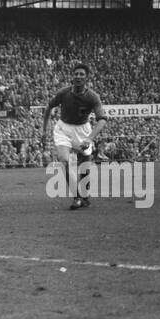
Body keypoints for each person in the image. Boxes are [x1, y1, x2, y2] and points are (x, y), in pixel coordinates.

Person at [42, 63, 109, 210]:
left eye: (81, 74)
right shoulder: (63, 93)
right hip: (63, 129)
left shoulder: (93, 97)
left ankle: (84, 195)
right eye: (76, 74)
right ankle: (77, 197)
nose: (78, 76)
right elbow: (48, 107)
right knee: (64, 161)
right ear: (72, 76)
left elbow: (102, 119)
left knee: (84, 167)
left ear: (87, 78)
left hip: (83, 131)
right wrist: (44, 130)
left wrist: (89, 138)